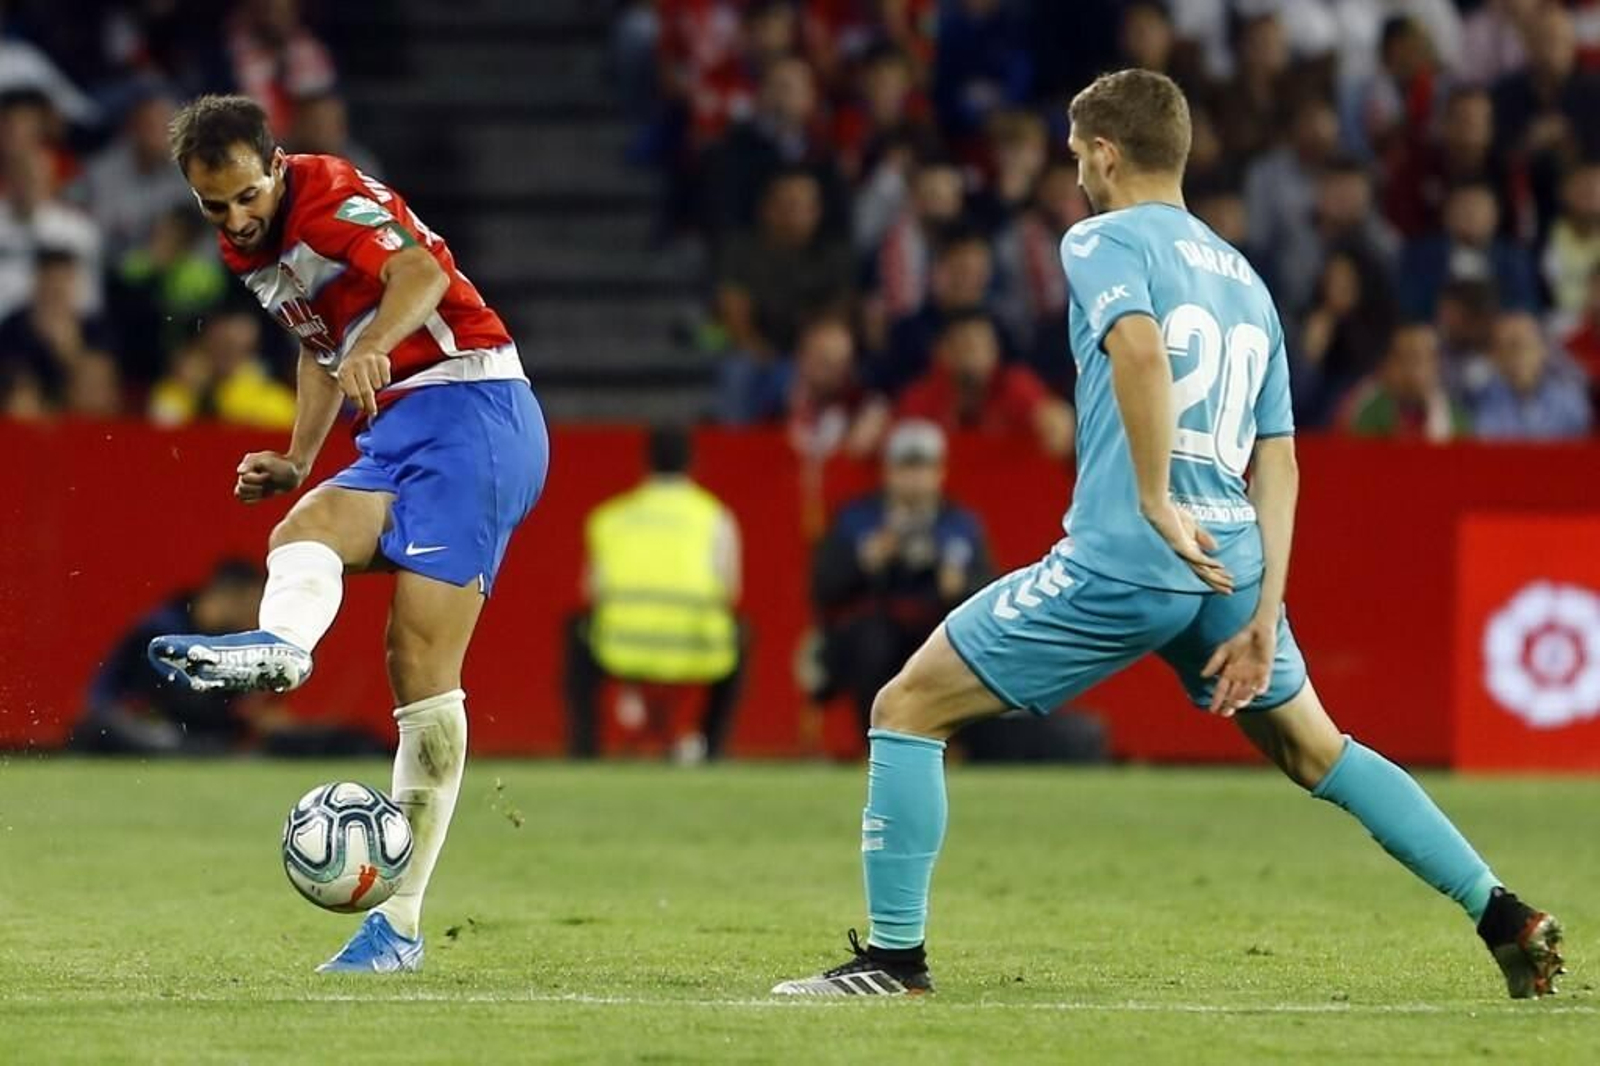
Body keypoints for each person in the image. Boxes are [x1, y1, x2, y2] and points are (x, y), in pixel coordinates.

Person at [772, 69, 1562, 1000]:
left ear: (1107, 154)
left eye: (1078, 157)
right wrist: (1264, 612)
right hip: (1232, 563)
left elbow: (1140, 349)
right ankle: (1500, 911)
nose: (1076, 176)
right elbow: (1280, 461)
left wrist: (1152, 497)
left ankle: (894, 962)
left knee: (906, 708)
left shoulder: (1100, 239)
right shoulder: (1248, 281)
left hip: (1132, 555)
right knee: (1320, 750)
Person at [144, 96, 548, 974]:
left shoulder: (325, 195)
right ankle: (285, 648)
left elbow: (421, 275)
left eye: (247, 196)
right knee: (306, 525)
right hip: (401, 425)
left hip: (474, 405)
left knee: (418, 662)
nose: (235, 219)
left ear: (276, 165)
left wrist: (378, 343)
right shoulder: (248, 243)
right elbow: (319, 343)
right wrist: (298, 455)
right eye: (214, 206)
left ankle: (398, 924)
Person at [72, 559, 380, 756]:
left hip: (199, 739)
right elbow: (170, 704)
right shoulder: (161, 630)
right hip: (141, 727)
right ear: (232, 597)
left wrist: (259, 713)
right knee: (142, 735)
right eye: (253, 604)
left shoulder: (230, 643)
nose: (256, 616)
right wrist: (243, 717)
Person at [565, 427, 744, 763]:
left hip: (621, 647)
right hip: (696, 649)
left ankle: (585, 748)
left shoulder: (610, 518)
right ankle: (713, 747)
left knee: (577, 630)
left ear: (646, 462)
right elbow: (731, 593)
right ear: (693, 464)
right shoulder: (715, 518)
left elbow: (590, 592)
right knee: (741, 635)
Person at [810, 421, 990, 735]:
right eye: (906, 468)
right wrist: (865, 560)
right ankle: (876, 739)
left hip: (936, 630)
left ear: (940, 472)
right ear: (888, 472)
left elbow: (989, 592)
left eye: (923, 468)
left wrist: (959, 584)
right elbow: (824, 586)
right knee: (871, 643)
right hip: (875, 633)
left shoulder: (960, 525)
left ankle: (952, 742)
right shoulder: (858, 519)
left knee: (960, 647)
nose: (915, 480)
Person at [1467, 312, 1593, 440]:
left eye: (1526, 346)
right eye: (1508, 348)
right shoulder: (1481, 401)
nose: (1518, 357)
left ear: (1543, 350)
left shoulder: (1570, 401)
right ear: (1495, 357)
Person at [1338, 322, 1470, 441]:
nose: (1410, 369)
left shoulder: (1454, 419)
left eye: (1418, 358)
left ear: (1435, 365)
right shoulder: (1363, 409)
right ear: (1386, 364)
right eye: (1401, 358)